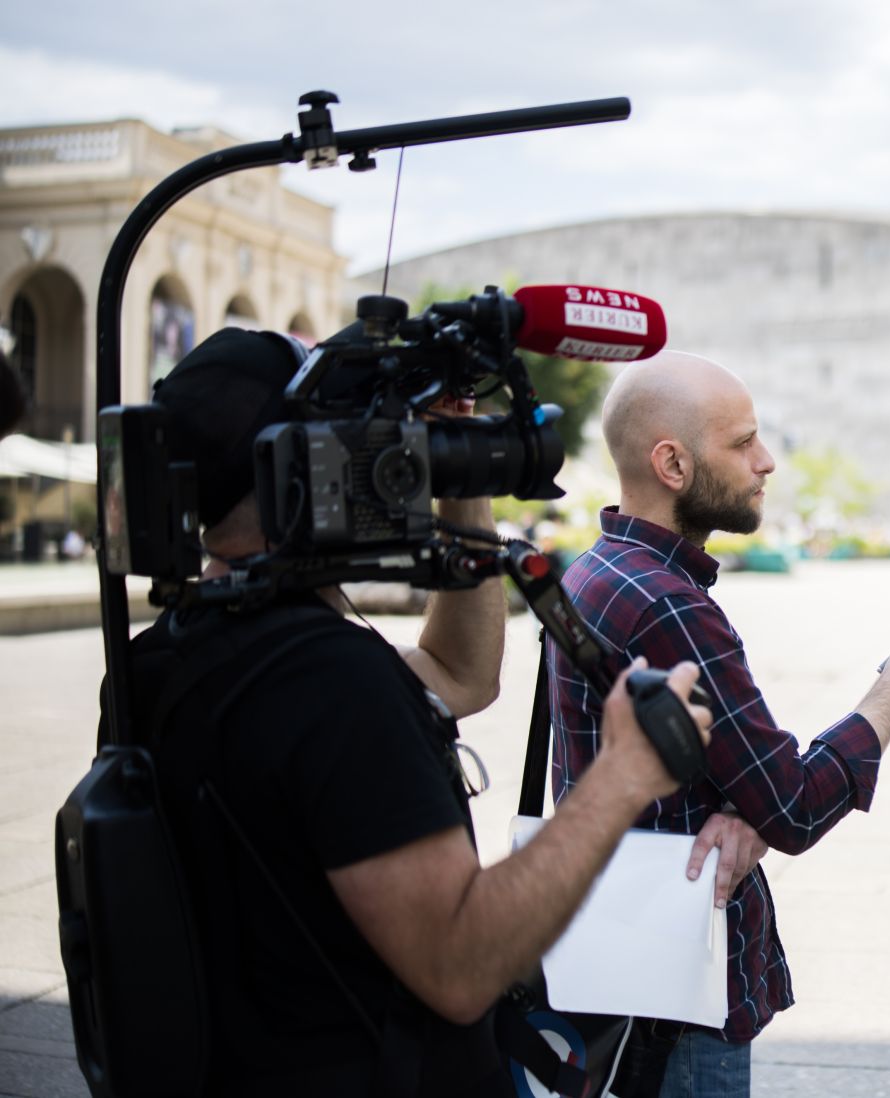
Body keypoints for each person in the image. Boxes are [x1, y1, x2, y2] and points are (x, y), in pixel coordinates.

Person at [110, 328, 711, 1096]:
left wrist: (462, 480)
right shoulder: (330, 682)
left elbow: (460, 674)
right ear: (309, 461)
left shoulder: (174, 651)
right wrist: (620, 779)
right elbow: (459, 966)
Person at [550, 350, 890, 1097]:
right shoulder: (671, 605)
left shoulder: (597, 569)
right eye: (743, 442)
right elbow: (794, 804)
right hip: (676, 999)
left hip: (615, 972)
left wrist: (740, 809)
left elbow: (737, 785)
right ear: (673, 464)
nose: (767, 461)